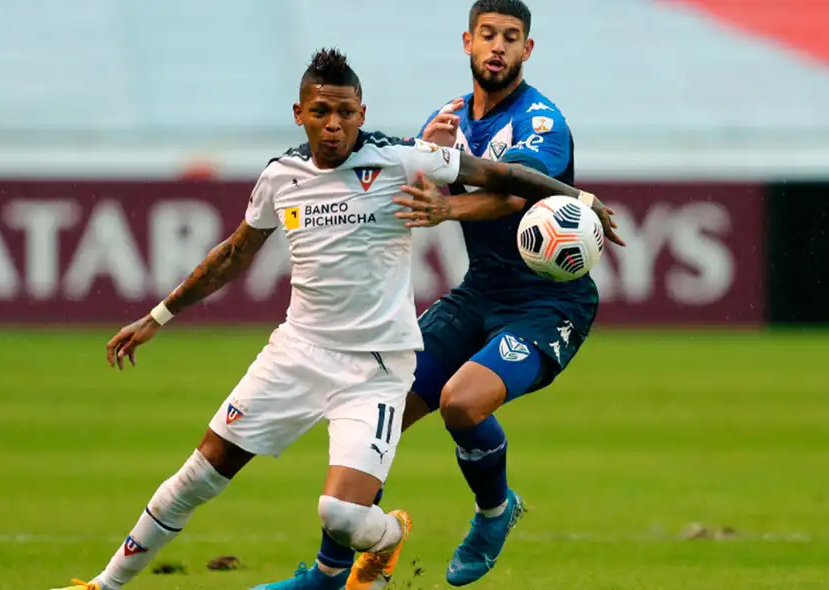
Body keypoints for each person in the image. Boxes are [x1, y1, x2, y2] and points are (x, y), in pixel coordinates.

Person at [53, 46, 610, 590]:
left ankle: (386, 539)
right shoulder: (280, 177)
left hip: (375, 368)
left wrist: (578, 198)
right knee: (198, 475)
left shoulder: (401, 160)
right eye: (320, 112)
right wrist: (158, 315)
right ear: (300, 114)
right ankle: (104, 584)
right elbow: (232, 255)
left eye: (346, 112)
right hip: (295, 353)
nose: (334, 124)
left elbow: (504, 176)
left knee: (340, 516)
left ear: (362, 114)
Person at [252, 1, 626, 589]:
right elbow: (416, 174)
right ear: (467, 43)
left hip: (548, 305)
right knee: (379, 410)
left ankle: (495, 513)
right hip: (478, 292)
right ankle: (331, 572)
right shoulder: (449, 117)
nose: (497, 46)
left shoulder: (540, 122)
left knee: (461, 401)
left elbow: (511, 194)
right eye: (487, 35)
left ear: (528, 50)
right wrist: (426, 153)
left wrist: (445, 205)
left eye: (510, 37)